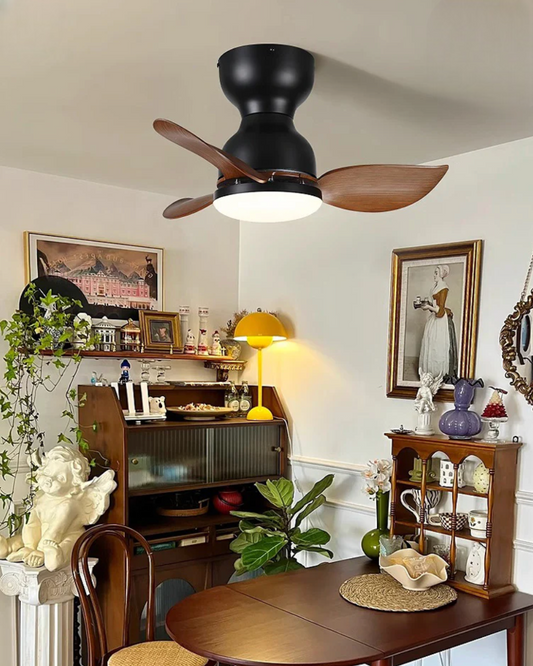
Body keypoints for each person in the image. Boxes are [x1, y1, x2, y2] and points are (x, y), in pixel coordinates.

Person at [418, 265, 458, 380]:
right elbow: (434, 307)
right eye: (434, 273)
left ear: (441, 274)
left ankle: (438, 373)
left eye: (436, 273)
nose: (434, 275)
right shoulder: (434, 287)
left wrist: (428, 307)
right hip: (433, 320)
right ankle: (429, 373)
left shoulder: (444, 288)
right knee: (431, 343)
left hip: (440, 321)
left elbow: (440, 311)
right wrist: (426, 306)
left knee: (438, 345)